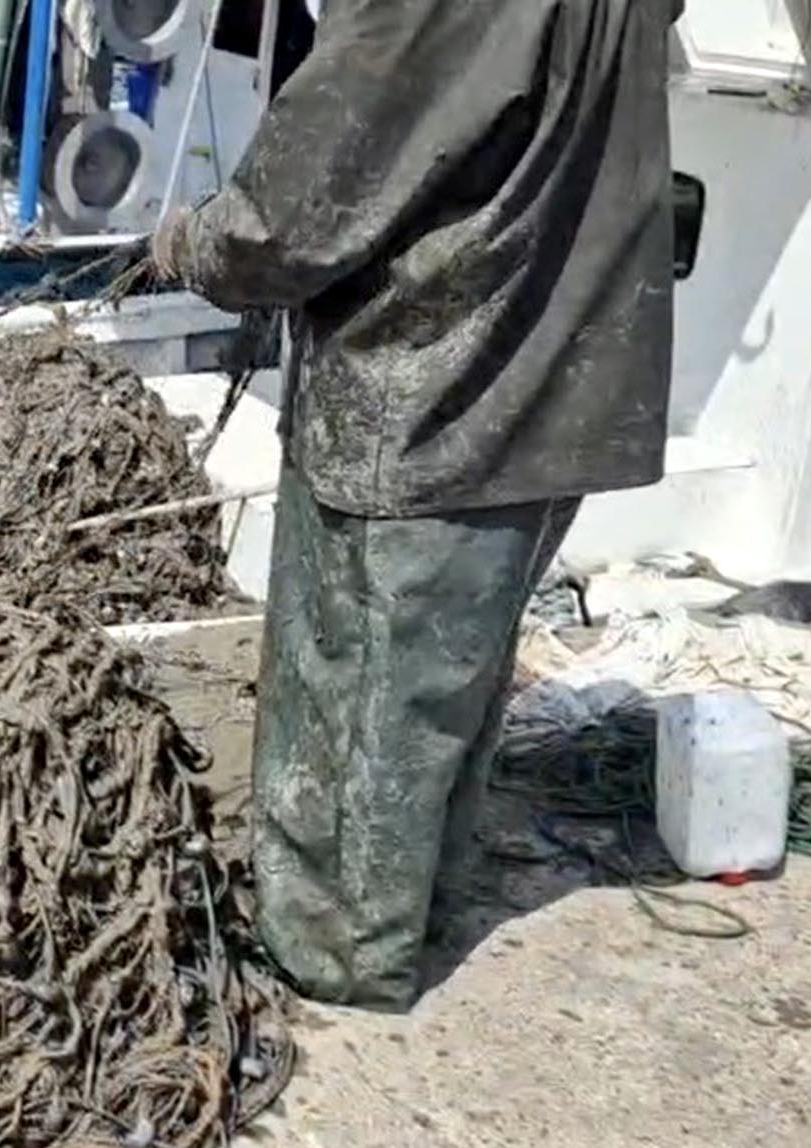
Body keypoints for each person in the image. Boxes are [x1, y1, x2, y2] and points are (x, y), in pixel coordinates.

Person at [152, 0, 680, 1009]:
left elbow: (294, 213)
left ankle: (336, 957)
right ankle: (416, 907)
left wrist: (195, 245)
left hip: (428, 398)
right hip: (560, 379)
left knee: (364, 696)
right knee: (447, 690)